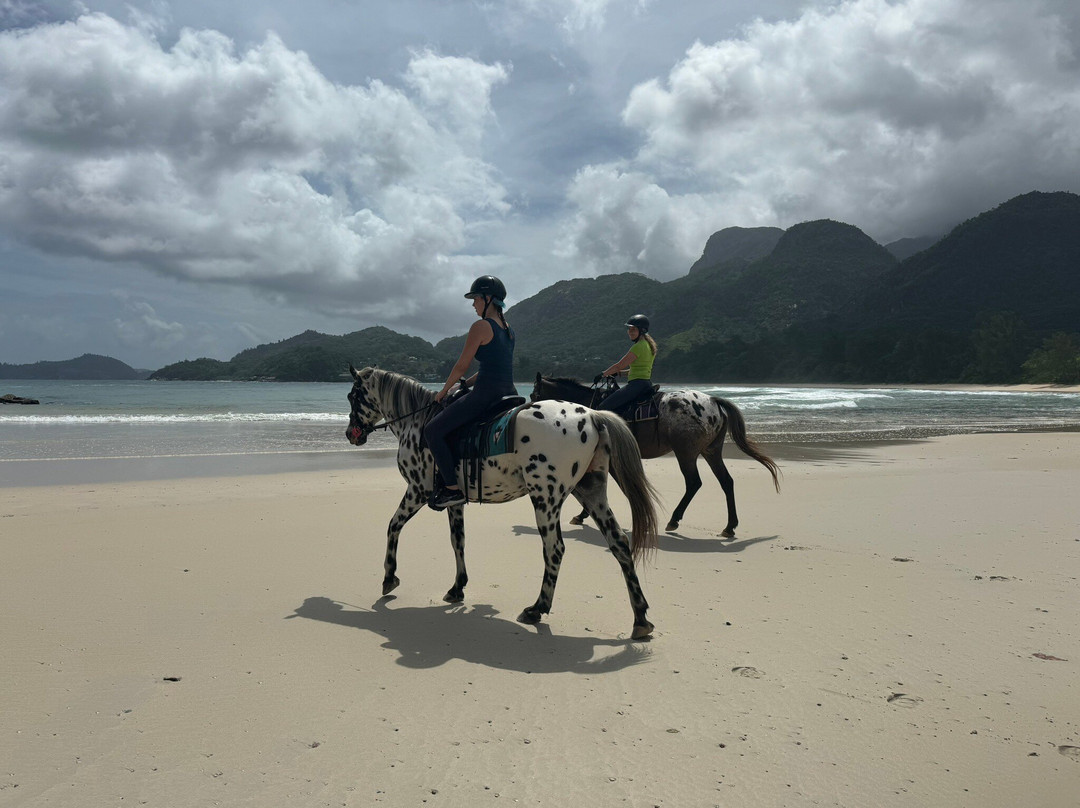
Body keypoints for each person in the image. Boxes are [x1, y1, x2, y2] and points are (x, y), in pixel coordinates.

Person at [424, 275, 516, 509]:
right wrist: (466, 384)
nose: (473, 304)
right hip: (508, 392)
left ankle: (452, 489)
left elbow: (462, 365)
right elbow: (494, 368)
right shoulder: (508, 330)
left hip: (485, 396)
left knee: (433, 430)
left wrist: (444, 390)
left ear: (487, 299)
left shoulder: (481, 326)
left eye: (475, 299)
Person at [598, 314, 657, 415]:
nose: (630, 332)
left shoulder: (638, 347)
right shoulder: (648, 345)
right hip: (645, 383)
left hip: (636, 385)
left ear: (641, 330)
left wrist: (602, 374)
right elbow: (637, 370)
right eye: (629, 329)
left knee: (602, 408)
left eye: (633, 329)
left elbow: (619, 365)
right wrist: (619, 373)